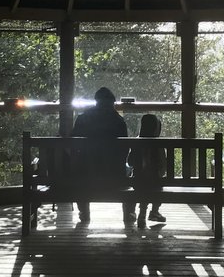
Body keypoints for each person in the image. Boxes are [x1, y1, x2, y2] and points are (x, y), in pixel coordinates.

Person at [71, 86, 128, 224]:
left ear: (96, 101)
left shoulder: (83, 119)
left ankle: (84, 212)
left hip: (86, 175)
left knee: (79, 173)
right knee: (127, 172)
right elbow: (125, 149)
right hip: (114, 175)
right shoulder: (118, 122)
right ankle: (129, 213)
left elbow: (74, 145)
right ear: (111, 103)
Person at [126, 113, 167, 227]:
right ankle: (153, 212)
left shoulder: (136, 143)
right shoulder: (159, 144)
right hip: (155, 181)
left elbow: (130, 162)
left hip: (137, 180)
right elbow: (163, 165)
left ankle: (142, 214)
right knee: (157, 187)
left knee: (142, 186)